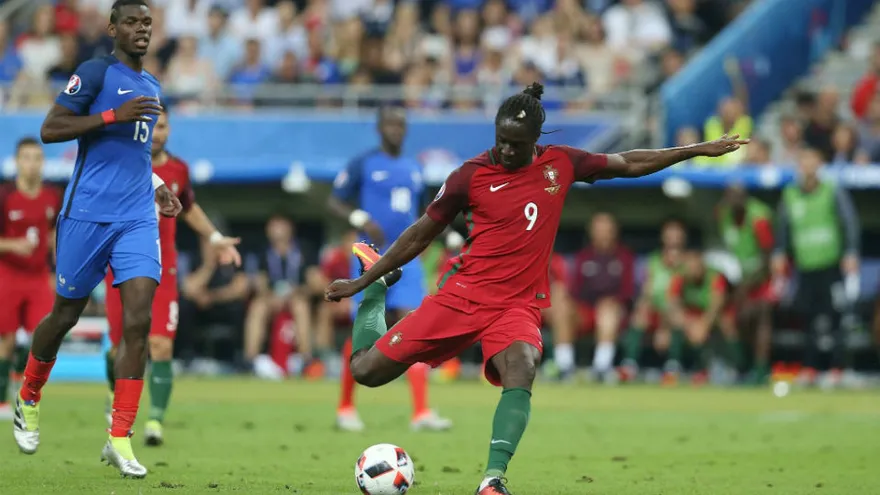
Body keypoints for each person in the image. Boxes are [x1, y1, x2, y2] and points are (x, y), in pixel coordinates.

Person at [324, 83, 747, 495]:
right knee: (366, 372)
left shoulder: (560, 164)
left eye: (516, 143)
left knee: (523, 365)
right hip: (463, 295)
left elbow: (629, 162)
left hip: (516, 305)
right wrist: (366, 280)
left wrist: (692, 150)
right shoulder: (468, 176)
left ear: (535, 141)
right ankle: (379, 289)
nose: (506, 150)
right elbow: (420, 234)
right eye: (501, 140)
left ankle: (492, 479)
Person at [12, 0, 184, 478]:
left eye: (147, 22)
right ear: (112, 28)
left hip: (136, 218)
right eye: (131, 21)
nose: (141, 29)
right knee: (64, 314)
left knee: (137, 321)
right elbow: (51, 129)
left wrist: (158, 187)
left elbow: (135, 155)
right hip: (85, 215)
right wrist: (111, 117)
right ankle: (28, 395)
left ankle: (120, 437)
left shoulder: (152, 85)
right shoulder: (93, 72)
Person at [102, 106, 241, 446]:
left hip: (163, 269)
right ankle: (114, 396)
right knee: (118, 348)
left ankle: (154, 421)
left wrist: (214, 237)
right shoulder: (121, 163)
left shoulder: (179, 169)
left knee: (160, 345)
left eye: (162, 126)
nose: (157, 132)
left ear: (169, 129)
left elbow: (188, 207)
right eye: (151, 126)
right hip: (121, 266)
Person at [328, 105, 455, 432]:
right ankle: (345, 407)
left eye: (401, 124)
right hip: (371, 257)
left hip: (408, 259)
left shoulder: (414, 167)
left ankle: (421, 412)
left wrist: (449, 233)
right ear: (379, 128)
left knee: (416, 326)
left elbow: (428, 210)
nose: (396, 129)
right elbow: (335, 199)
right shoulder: (364, 163)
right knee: (365, 331)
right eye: (390, 124)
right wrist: (359, 218)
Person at [773, 148, 861, 387]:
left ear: (819, 164)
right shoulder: (790, 194)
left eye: (811, 161)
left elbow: (849, 222)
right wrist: (780, 253)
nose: (807, 167)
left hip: (831, 264)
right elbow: (783, 228)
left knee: (837, 317)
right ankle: (810, 368)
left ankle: (836, 368)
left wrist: (851, 252)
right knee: (808, 319)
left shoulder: (832, 190)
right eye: (802, 161)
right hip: (805, 265)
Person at [0, 139, 61, 420]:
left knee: (45, 335)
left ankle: (27, 394)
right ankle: (2, 400)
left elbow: (55, 234)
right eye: (26, 158)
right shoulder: (5, 196)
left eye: (37, 158)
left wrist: (56, 260)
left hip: (39, 276)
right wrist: (13, 245)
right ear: (17, 161)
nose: (32, 163)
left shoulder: (53, 196)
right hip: (8, 273)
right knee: (5, 337)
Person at [717, 183, 775, 384]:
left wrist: (747, 285)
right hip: (741, 278)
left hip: (764, 276)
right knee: (738, 318)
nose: (734, 203)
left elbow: (768, 257)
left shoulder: (758, 217)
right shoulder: (723, 215)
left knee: (761, 315)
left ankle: (760, 369)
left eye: (738, 198)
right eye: (730, 198)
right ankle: (744, 366)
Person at [619, 218, 686, 381]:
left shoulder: (687, 262)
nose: (673, 238)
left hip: (680, 313)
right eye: (669, 233)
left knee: (674, 309)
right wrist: (644, 306)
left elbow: (681, 296)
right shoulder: (654, 260)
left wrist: (664, 327)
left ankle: (673, 366)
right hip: (656, 310)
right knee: (641, 311)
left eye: (677, 233)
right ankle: (629, 365)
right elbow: (647, 291)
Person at [569, 213, 635, 381]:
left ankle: (601, 367)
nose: (603, 233)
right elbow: (574, 291)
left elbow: (628, 292)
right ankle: (564, 367)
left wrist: (613, 302)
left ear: (614, 231)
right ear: (591, 231)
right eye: (599, 229)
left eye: (607, 229)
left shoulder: (625, 257)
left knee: (607, 310)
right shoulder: (583, 257)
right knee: (561, 308)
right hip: (585, 311)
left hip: (614, 312)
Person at [666, 250, 739, 386]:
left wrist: (704, 324)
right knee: (674, 320)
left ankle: (737, 367)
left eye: (696, 265)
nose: (693, 270)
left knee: (727, 324)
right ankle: (675, 366)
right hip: (692, 319)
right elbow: (672, 303)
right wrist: (687, 322)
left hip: (716, 316)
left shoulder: (715, 276)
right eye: (689, 266)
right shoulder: (680, 276)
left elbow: (717, 304)